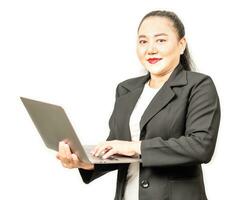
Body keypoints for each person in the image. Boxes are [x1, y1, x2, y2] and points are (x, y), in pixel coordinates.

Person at [56, 10, 221, 200]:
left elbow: (200, 146)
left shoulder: (198, 85)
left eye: (160, 40)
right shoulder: (126, 89)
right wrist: (87, 163)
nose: (150, 49)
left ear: (181, 45)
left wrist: (136, 147)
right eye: (143, 41)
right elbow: (117, 148)